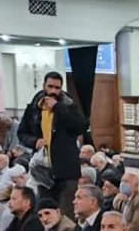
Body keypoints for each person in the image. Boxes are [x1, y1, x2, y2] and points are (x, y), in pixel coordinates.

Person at [17, 71, 87, 215]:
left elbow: (80, 126)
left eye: (57, 88)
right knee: (45, 212)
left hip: (66, 170)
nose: (53, 91)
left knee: (66, 213)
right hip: (43, 170)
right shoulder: (34, 107)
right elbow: (22, 133)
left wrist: (58, 107)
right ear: (44, 86)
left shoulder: (68, 105)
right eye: (50, 87)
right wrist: (34, 141)